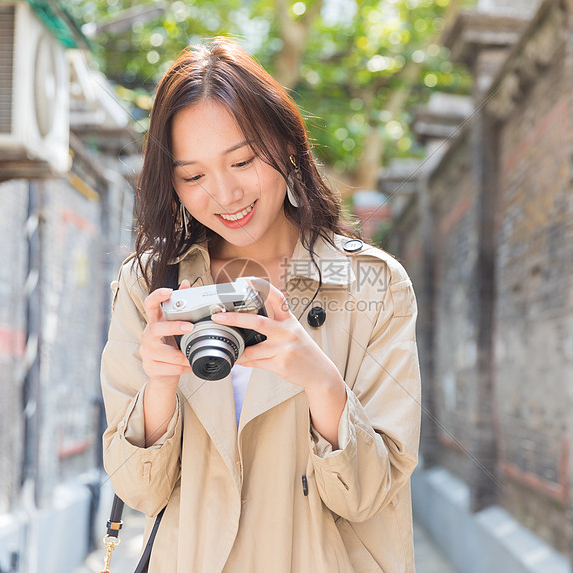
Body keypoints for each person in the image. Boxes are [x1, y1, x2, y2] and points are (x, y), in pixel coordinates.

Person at [101, 37, 421, 572]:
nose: (224, 194)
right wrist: (159, 383)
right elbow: (139, 491)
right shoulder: (151, 286)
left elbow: (368, 497)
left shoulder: (371, 285)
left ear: (287, 144)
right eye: (193, 176)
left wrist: (320, 380)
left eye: (242, 160)